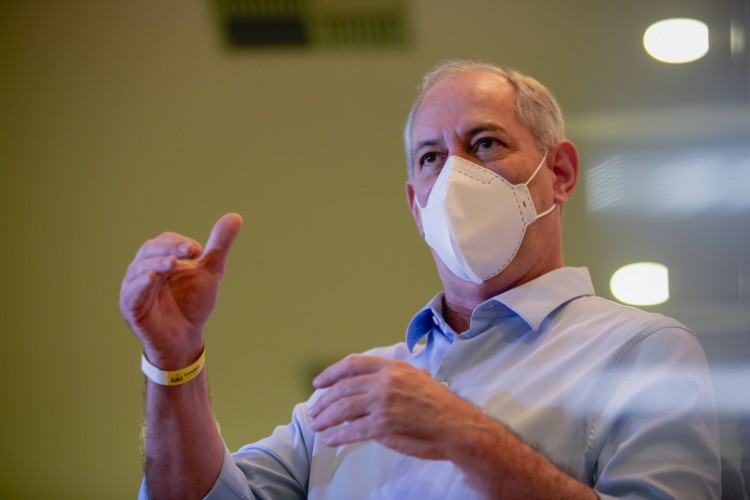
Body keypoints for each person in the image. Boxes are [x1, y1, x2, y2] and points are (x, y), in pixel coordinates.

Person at [120, 60, 721, 499]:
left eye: (484, 143)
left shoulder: (643, 352)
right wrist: (173, 361)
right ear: (415, 204)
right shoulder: (351, 396)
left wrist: (462, 433)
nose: (456, 175)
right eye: (432, 157)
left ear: (559, 173)